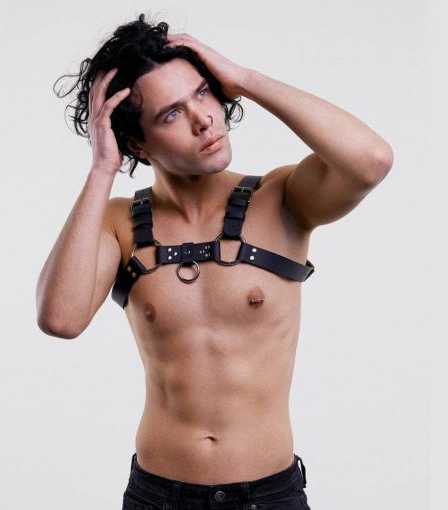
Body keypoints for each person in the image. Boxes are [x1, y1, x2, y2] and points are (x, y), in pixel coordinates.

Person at [36, 13, 393, 510]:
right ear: (137, 143)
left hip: (269, 497)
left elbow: (371, 159)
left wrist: (243, 78)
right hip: (158, 497)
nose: (203, 119)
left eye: (203, 93)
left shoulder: (280, 199)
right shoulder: (118, 222)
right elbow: (61, 318)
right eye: (170, 115)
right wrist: (102, 168)